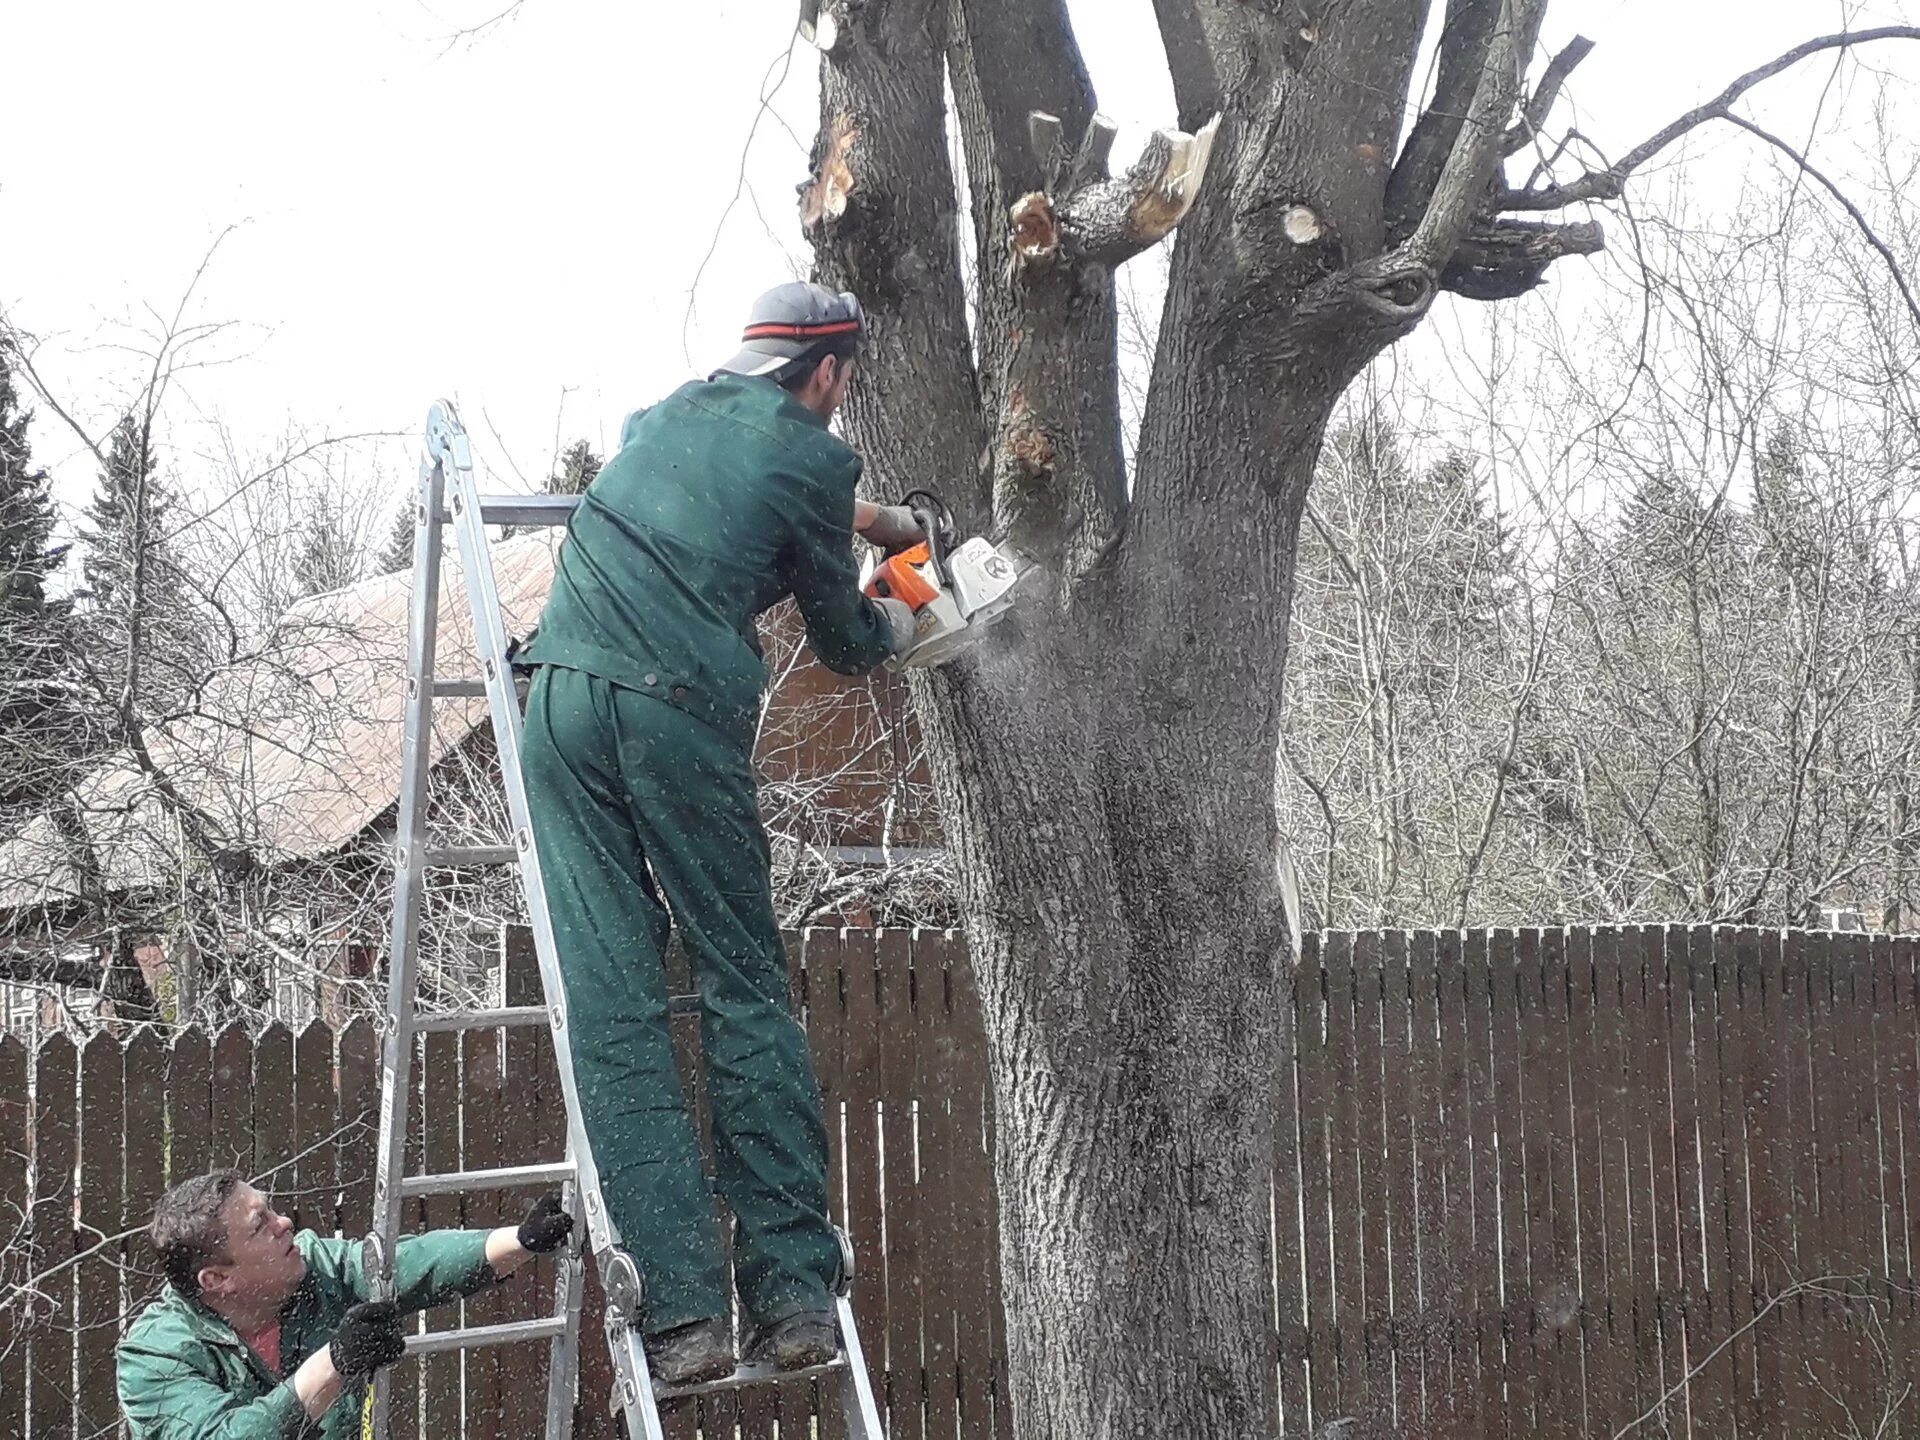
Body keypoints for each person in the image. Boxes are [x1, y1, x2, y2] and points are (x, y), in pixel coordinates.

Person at [514, 281, 923, 1385]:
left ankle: (681, 1321)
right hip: (669, 712)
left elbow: (774, 499)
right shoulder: (811, 454)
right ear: (828, 374)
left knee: (615, 1002)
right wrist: (907, 606)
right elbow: (845, 643)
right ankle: (791, 1299)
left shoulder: (662, 420)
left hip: (554, 704)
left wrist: (886, 525)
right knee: (742, 986)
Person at [116, 1170, 575, 1439]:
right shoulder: (154, 1355)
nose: (285, 1222)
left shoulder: (314, 1268)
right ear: (217, 1280)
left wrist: (520, 1239)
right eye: (261, 1226)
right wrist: (334, 1363)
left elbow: (409, 1267)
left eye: (272, 1209)